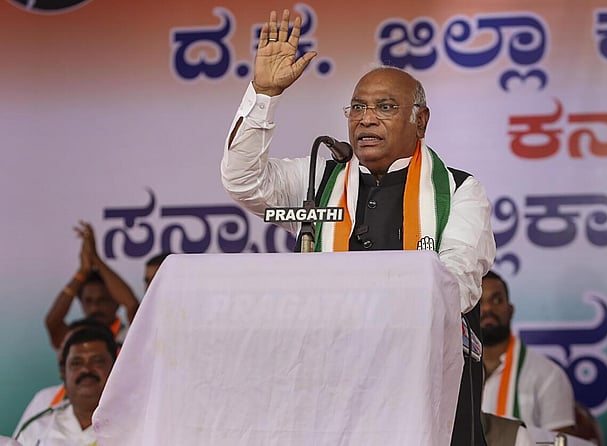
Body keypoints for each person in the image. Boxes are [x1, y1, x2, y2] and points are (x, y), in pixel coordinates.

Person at [220, 9, 496, 446]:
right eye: (358, 108)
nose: (366, 119)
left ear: (420, 120)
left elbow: (455, 285)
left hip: (424, 389)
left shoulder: (460, 191)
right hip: (332, 387)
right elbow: (243, 180)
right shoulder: (319, 182)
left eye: (385, 107)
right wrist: (264, 94)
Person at [480, 270, 575, 432]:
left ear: (510, 310)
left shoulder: (548, 375)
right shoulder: (452, 372)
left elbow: (560, 440)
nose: (488, 308)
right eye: (479, 302)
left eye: (496, 300)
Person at [14, 324, 118, 445]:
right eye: (76, 363)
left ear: (115, 367)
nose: (86, 369)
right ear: (64, 372)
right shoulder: (37, 429)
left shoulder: (133, 424)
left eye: (97, 361)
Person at [45, 220, 139, 350]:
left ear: (117, 301)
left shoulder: (131, 336)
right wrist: (82, 271)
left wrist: (96, 258)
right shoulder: (74, 338)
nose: (95, 308)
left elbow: (132, 305)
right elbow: (52, 322)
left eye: (102, 300)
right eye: (88, 301)